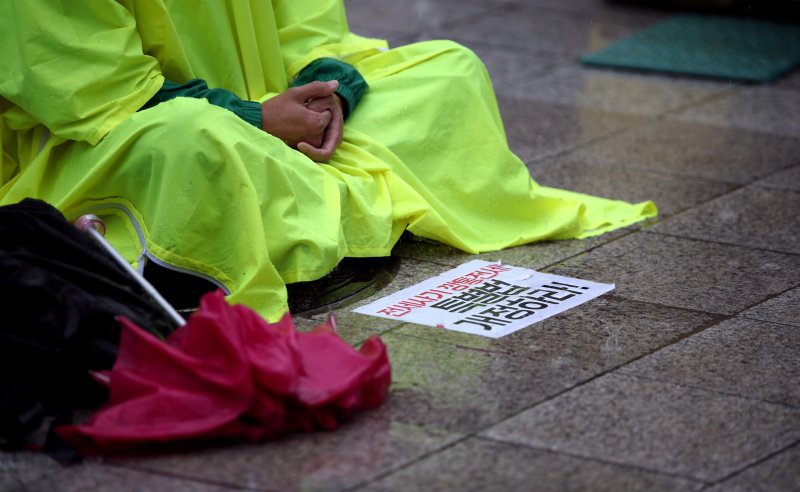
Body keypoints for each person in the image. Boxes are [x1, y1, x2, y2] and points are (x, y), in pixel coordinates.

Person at [0, 0, 656, 321]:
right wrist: (260, 119)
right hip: (114, 140)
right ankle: (303, 216)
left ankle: (307, 207)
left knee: (446, 72)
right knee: (194, 140)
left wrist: (330, 89)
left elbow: (309, 24)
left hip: (274, 112)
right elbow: (98, 96)